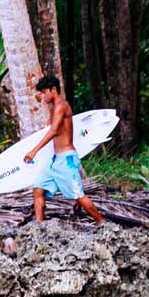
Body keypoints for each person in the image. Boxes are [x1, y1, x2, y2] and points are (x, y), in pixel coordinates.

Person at [23, 75, 104, 224]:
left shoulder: (61, 106)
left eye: (44, 92)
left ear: (53, 90)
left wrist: (34, 151)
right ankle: (40, 227)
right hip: (56, 160)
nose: (42, 95)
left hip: (67, 159)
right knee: (38, 189)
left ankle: (102, 223)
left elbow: (54, 131)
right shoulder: (54, 107)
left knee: (79, 196)